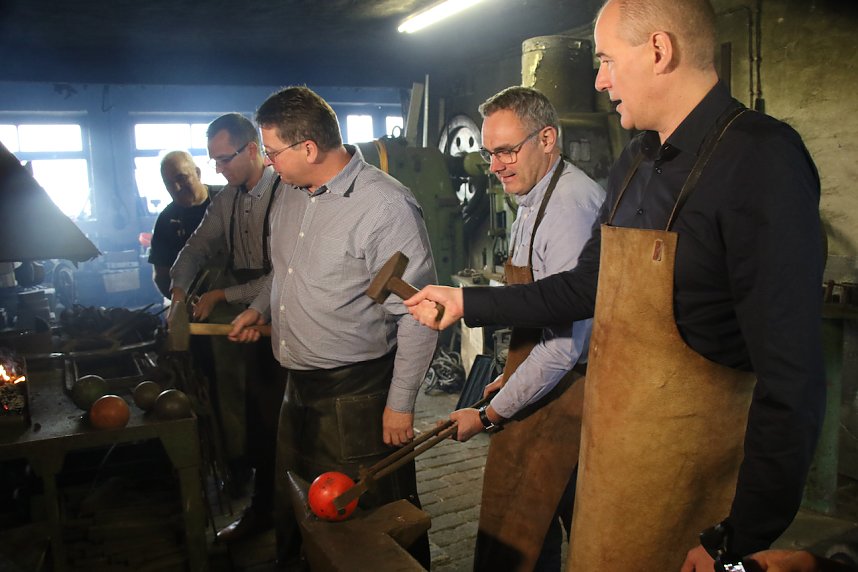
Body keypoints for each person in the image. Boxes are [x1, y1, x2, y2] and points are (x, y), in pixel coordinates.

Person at [405, 0, 825, 570]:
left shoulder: (760, 159)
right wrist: (467, 301)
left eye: (605, 61)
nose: (600, 82)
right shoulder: (635, 161)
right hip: (617, 455)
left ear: (658, 51)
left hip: (695, 480)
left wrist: (739, 534)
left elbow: (792, 376)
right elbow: (585, 288)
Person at [229, 86, 438, 568]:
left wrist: (400, 404)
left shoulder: (384, 208)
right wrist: (261, 307)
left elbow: (417, 314)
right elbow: (287, 270)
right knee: (300, 514)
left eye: (272, 150)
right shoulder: (289, 190)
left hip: (357, 395)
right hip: (296, 388)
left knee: (370, 526)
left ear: (308, 148)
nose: (267, 161)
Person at [449, 86, 603, 572]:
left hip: (571, 395)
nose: (494, 165)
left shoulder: (570, 207)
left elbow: (562, 349)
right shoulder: (533, 196)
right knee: (531, 525)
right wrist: (505, 381)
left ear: (548, 139)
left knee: (558, 524)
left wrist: (491, 414)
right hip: (541, 381)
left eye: (507, 151)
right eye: (490, 153)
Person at [168, 113, 285, 543]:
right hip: (253, 322)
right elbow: (197, 246)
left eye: (224, 159)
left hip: (289, 320)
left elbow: (285, 273)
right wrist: (180, 292)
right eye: (213, 160)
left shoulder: (287, 193)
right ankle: (265, 508)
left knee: (281, 423)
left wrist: (225, 296)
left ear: (252, 149)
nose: (217, 169)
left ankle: (291, 515)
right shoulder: (227, 200)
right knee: (256, 417)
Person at [148, 151, 221, 297]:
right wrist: (182, 304)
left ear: (197, 173)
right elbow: (161, 275)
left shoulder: (227, 199)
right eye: (169, 183)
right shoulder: (166, 220)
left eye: (181, 178)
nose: (176, 188)